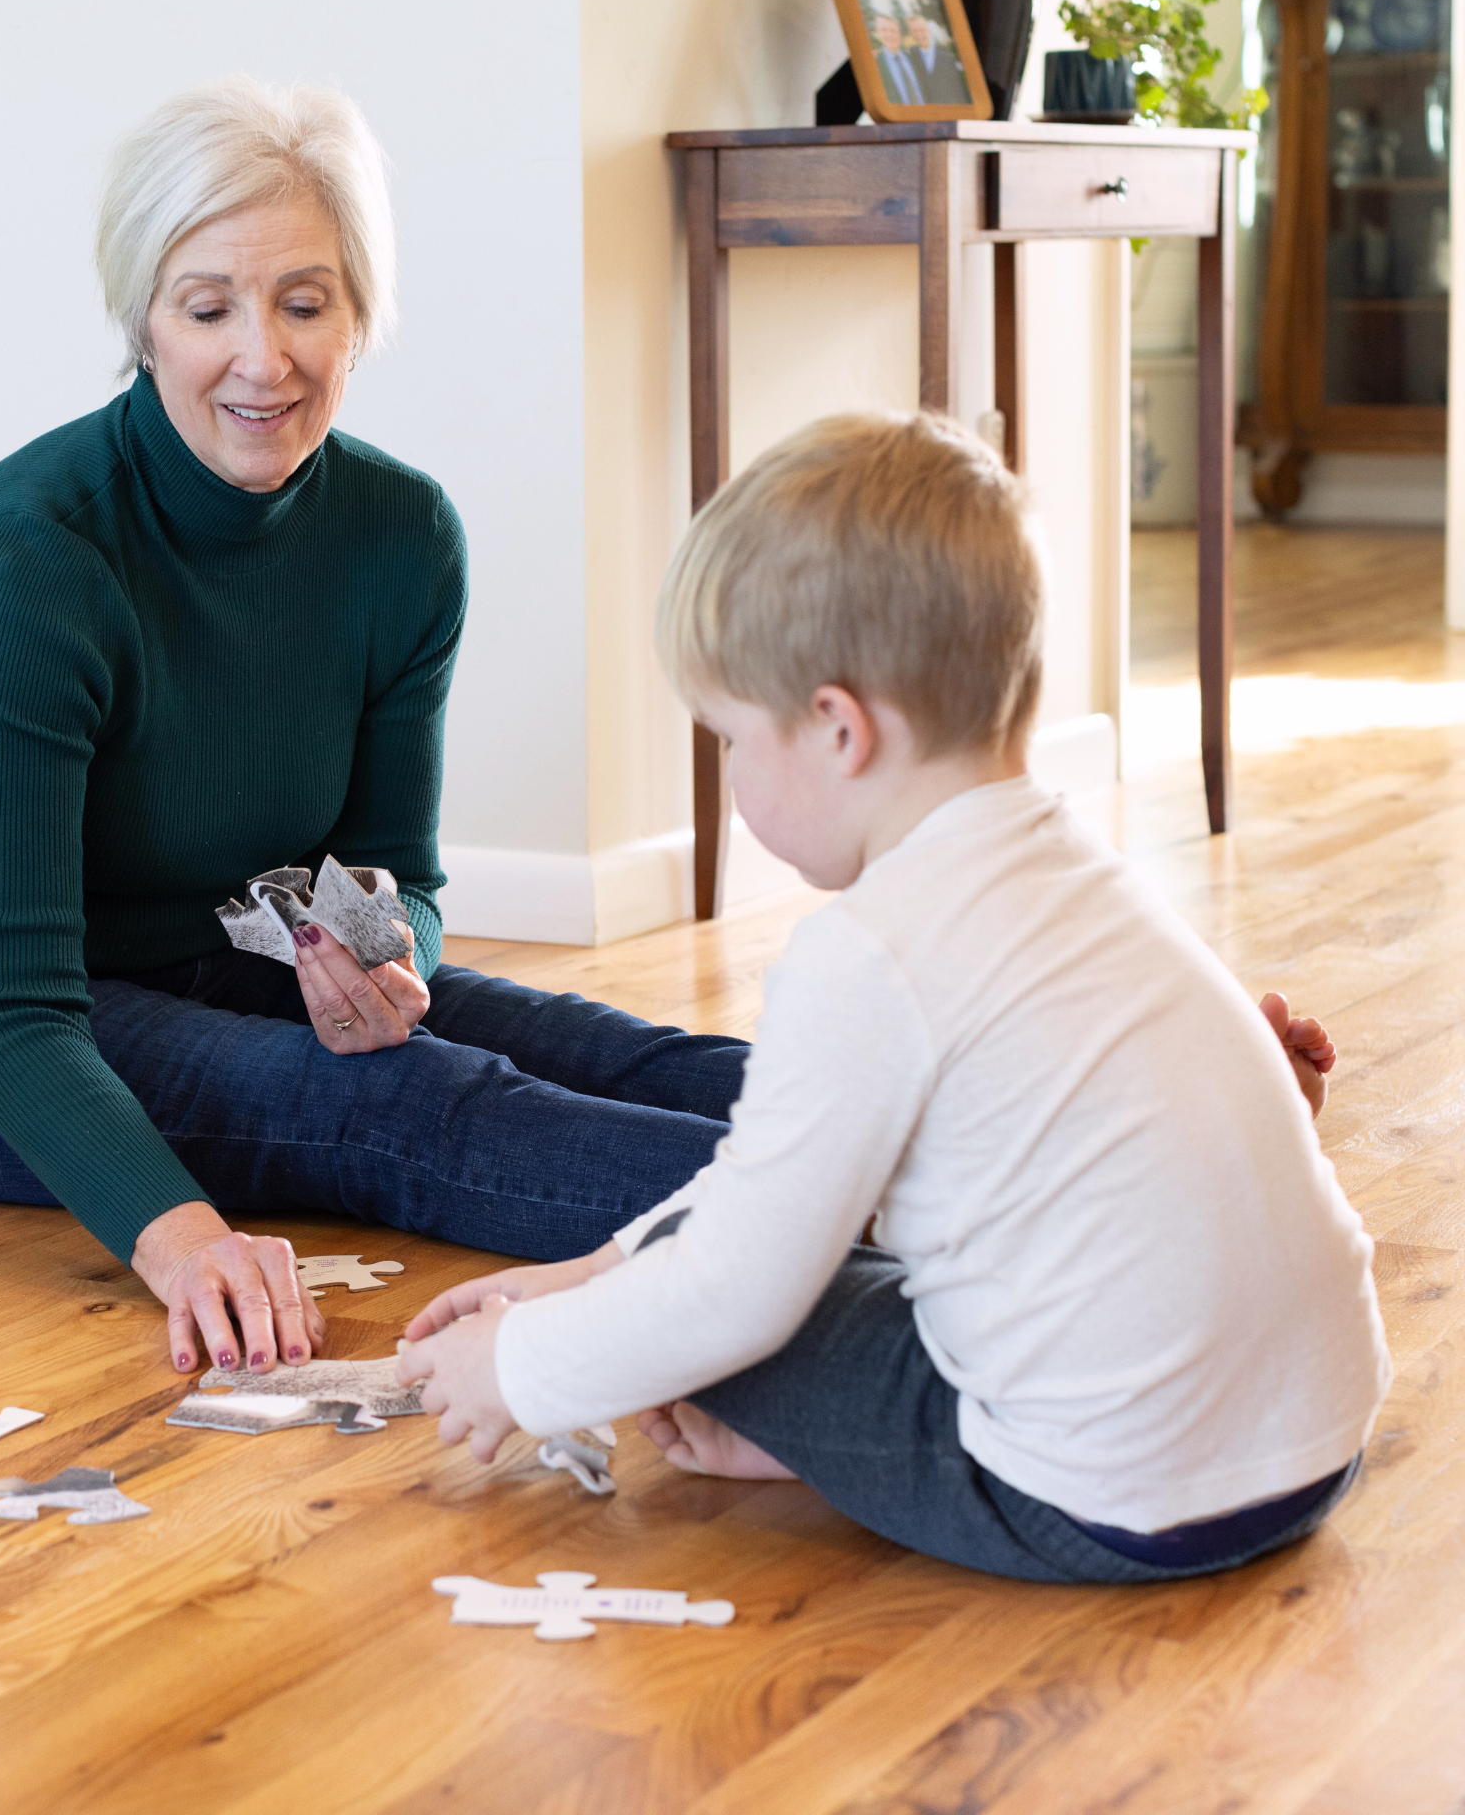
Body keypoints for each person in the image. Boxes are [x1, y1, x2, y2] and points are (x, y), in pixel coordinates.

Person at [0, 76, 748, 1382]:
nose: (265, 357)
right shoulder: (29, 561)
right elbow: (12, 1008)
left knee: (611, 1051)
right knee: (412, 1104)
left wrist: (385, 960)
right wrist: (186, 1244)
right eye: (209, 308)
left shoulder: (401, 538)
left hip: (206, 955)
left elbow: (388, 876)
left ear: (360, 314)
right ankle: (871, 1215)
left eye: (306, 303)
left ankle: (956, 1138)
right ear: (144, 323)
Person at [398, 412, 1391, 1584]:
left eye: (729, 740)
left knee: (732, 1314)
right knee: (786, 1252)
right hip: (1309, 1439)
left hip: (1107, 1496)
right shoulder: (1088, 876)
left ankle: (830, 1442)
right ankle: (791, 1430)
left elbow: (732, 1288)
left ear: (837, 729)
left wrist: (518, 1367)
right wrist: (575, 1284)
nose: (729, 774)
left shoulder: (867, 955)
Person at [907, 14, 972, 106]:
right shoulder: (910, 56)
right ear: (911, 34)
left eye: (922, 29)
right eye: (915, 31)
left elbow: (959, 90)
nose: (919, 34)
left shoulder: (948, 57)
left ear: (928, 30)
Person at [870, 14, 926, 106]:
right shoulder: (875, 63)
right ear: (877, 33)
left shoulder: (915, 58)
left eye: (893, 31)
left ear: (899, 34)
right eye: (884, 30)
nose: (889, 35)